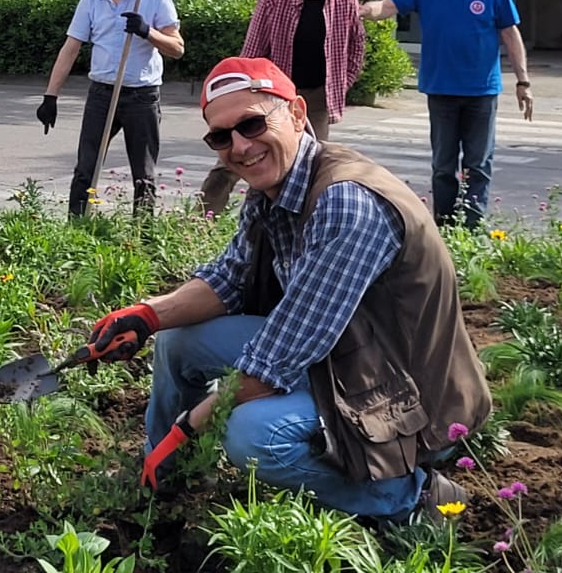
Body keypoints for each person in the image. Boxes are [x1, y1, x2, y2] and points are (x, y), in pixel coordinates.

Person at [85, 57, 489, 522]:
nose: (239, 146)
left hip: (404, 389)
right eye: (221, 136)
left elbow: (279, 357)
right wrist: (146, 316)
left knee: (253, 436)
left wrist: (189, 426)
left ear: (298, 113)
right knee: (179, 341)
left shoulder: (345, 202)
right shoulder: (275, 186)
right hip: (343, 358)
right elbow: (230, 278)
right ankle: (161, 477)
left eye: (252, 124)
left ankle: (412, 499)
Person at [358, 0, 532, 229]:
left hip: (482, 90)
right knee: (443, 166)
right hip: (441, 89)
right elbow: (387, 7)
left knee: (478, 164)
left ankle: (472, 228)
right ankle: (445, 227)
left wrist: (523, 81)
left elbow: (510, 32)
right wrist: (360, 9)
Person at [200, 0, 366, 215]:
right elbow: (250, 53)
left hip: (317, 97)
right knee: (237, 156)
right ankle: (202, 218)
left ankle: (296, 220)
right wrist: (248, 97)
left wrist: (340, 85)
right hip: (271, 95)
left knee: (310, 163)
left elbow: (356, 46)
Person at [39, 0, 183, 217]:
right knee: (86, 168)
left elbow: (177, 48)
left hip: (142, 97)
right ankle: (77, 230)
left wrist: (147, 32)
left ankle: (142, 237)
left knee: (143, 173)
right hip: (102, 94)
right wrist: (51, 96)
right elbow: (71, 48)